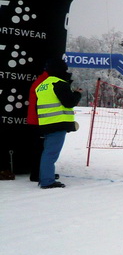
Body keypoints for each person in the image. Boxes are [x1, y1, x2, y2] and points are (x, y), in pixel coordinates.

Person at [35, 57, 82, 189]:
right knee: (51, 154)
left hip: (45, 123)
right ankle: (47, 180)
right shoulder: (59, 83)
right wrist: (77, 94)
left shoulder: (42, 85)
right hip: (57, 124)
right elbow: (69, 102)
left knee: (47, 153)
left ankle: (45, 176)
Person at [26, 65, 50, 182]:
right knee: (39, 149)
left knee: (39, 148)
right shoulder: (44, 82)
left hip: (36, 119)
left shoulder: (41, 80)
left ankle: (39, 173)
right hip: (38, 120)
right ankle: (37, 174)